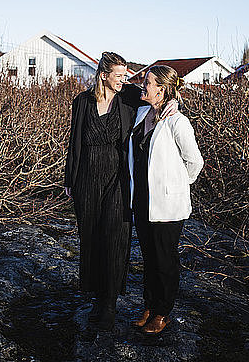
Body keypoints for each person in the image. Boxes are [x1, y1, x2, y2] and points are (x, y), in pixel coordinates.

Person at [64, 52, 176, 331]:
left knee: (115, 241)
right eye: (119, 75)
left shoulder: (128, 97)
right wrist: (70, 179)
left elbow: (161, 94)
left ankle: (110, 304)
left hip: (118, 181)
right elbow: (74, 141)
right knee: (91, 241)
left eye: (126, 75)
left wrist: (175, 103)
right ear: (104, 75)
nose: (124, 79)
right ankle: (97, 299)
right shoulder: (82, 102)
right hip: (87, 181)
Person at [128, 65, 203, 334]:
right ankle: (149, 306)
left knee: (164, 259)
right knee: (148, 257)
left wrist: (179, 184)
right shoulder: (141, 113)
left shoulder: (177, 121)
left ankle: (162, 312)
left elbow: (195, 161)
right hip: (142, 200)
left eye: (148, 82)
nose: (142, 86)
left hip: (168, 204)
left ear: (161, 88)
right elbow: (123, 89)